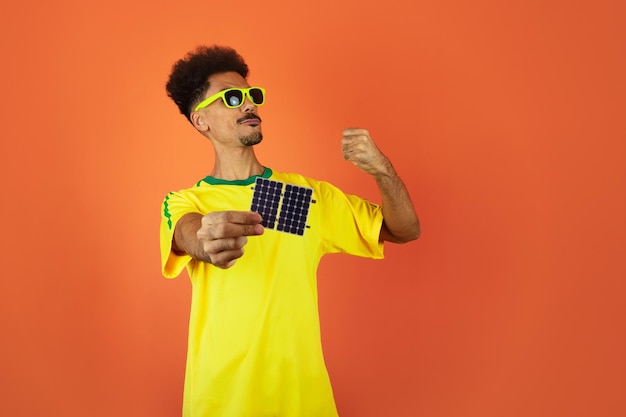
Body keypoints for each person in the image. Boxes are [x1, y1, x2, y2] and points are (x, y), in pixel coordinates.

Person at [160, 45, 420, 417]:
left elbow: (405, 229)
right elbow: (188, 234)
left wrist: (383, 172)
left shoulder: (302, 195)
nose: (249, 105)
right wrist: (205, 238)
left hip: (303, 402)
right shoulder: (185, 201)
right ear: (201, 120)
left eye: (252, 96)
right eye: (233, 98)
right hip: (220, 403)